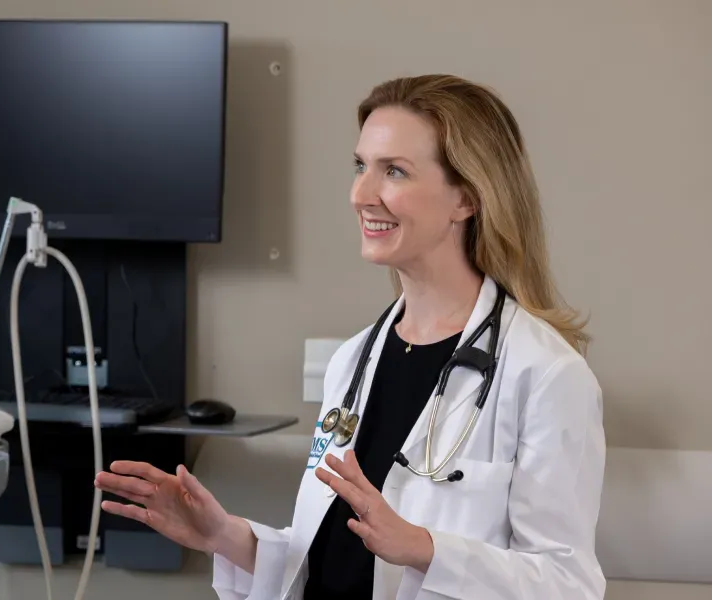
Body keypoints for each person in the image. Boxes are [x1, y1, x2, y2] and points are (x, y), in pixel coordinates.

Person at [95, 74, 605, 599]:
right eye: (361, 166)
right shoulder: (354, 361)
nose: (361, 194)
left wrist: (423, 548)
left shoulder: (545, 375)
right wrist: (223, 535)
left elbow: (569, 585)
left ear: (467, 199)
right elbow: (325, 556)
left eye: (395, 172)